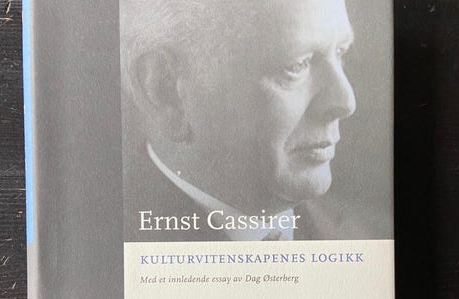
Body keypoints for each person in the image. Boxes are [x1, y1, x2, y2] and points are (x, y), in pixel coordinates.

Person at [121, 0, 362, 242]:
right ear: (166, 92)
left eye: (340, 52)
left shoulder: (361, 237)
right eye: (297, 65)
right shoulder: (111, 248)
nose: (345, 102)